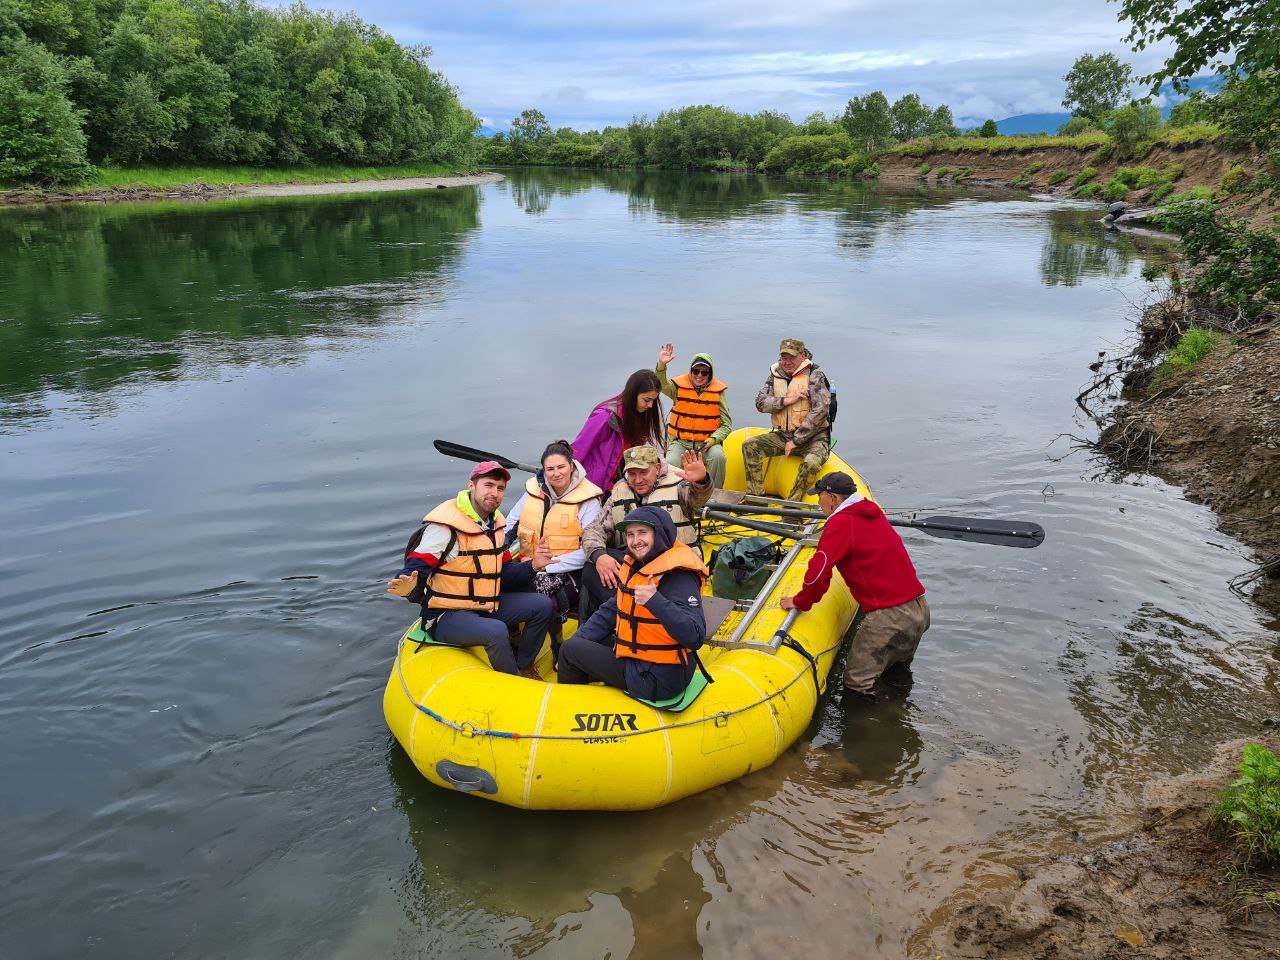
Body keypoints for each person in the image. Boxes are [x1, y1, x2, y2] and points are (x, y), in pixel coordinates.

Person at [386, 461, 553, 680]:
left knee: (542, 606)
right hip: (445, 615)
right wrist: (407, 583)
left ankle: (525, 666)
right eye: (488, 485)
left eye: (500, 488)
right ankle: (514, 680)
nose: (494, 493)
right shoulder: (444, 529)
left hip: (484, 605)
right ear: (471, 486)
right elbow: (414, 568)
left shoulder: (496, 527)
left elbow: (504, 575)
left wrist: (533, 566)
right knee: (496, 631)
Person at [779, 472, 929, 698]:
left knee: (856, 686)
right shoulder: (870, 512)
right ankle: (900, 716)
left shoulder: (840, 523)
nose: (818, 502)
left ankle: (875, 728)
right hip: (919, 609)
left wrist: (801, 601)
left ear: (832, 498)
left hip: (890, 616)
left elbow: (819, 573)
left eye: (819, 496)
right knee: (897, 674)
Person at [558, 505, 708, 703]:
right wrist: (579, 639)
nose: (635, 541)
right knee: (583, 641)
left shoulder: (680, 577)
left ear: (659, 533)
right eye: (630, 535)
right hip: (643, 662)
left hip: (658, 679)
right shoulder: (640, 566)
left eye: (642, 533)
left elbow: (695, 636)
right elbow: (608, 613)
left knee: (569, 652)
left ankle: (568, 707)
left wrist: (655, 601)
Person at [579, 444, 713, 622]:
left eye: (644, 473)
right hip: (638, 567)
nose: (637, 479)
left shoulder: (680, 485)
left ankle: (628, 612)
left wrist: (701, 481)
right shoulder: (620, 492)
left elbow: (699, 498)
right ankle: (624, 612)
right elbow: (594, 530)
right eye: (632, 474)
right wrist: (599, 556)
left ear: (657, 468)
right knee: (591, 568)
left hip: (674, 570)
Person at [504, 439, 604, 651]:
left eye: (561, 467)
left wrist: (547, 566)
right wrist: (497, 550)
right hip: (529, 563)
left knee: (551, 601)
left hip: (569, 568)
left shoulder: (589, 500)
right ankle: (513, 637)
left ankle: (557, 646)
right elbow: (510, 525)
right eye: (550, 469)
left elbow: (589, 548)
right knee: (499, 583)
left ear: (571, 466)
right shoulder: (533, 491)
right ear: (544, 470)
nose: (556, 473)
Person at [742, 338, 832, 502]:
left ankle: (792, 508)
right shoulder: (774, 375)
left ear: (802, 355)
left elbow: (821, 410)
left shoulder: (814, 375)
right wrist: (786, 400)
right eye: (784, 357)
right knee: (750, 446)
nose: (787, 362)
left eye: (792, 357)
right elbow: (760, 403)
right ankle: (756, 500)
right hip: (784, 435)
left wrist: (797, 440)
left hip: (814, 438)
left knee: (811, 463)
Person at [572, 369, 666, 492]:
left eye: (653, 400)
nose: (650, 406)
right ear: (633, 394)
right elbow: (579, 449)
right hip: (593, 484)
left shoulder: (637, 415)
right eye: (647, 400)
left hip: (618, 482)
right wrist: (565, 481)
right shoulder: (604, 416)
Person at [656, 343, 732, 489]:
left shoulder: (718, 392)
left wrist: (712, 440)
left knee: (719, 458)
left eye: (704, 372)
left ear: (710, 374)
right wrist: (661, 365)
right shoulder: (677, 388)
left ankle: (714, 494)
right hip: (680, 442)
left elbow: (726, 425)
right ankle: (672, 494)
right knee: (670, 461)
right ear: (691, 371)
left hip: (707, 444)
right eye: (696, 371)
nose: (699, 375)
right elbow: (661, 384)